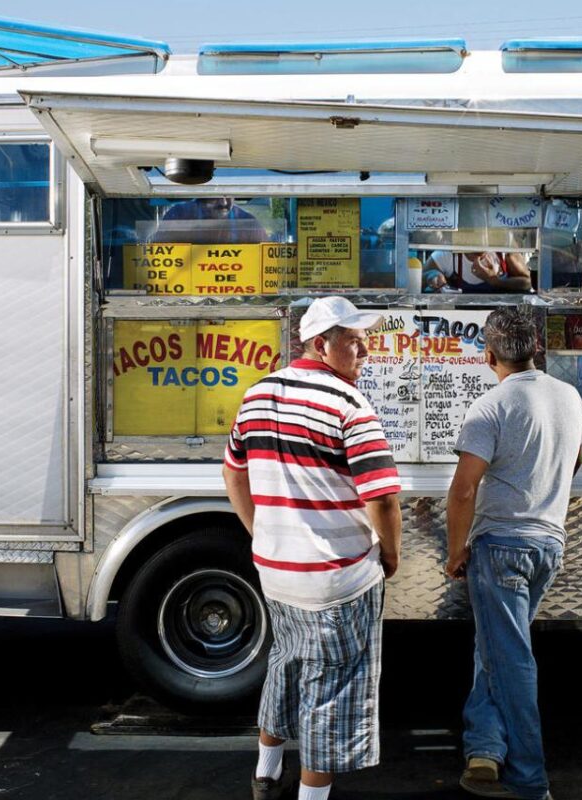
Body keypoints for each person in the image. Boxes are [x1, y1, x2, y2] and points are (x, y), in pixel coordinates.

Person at [222, 295, 403, 800]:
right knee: (333, 693)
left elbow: (232, 471)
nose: (365, 350)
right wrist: (390, 554)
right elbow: (384, 498)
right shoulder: (350, 405)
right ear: (321, 345)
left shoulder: (257, 394)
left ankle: (265, 771)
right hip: (336, 578)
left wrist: (260, 531)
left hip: (277, 572)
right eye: (353, 341)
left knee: (286, 661)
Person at [443, 306, 582, 800]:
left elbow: (463, 490)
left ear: (488, 355)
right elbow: (574, 463)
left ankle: (530, 780)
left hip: (501, 546)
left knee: (512, 660)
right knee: (497, 649)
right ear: (537, 350)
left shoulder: (490, 407)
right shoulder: (570, 398)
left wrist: (455, 550)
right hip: (549, 543)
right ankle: (484, 748)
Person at [151, 196, 267, 244]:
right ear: (201, 194)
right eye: (215, 195)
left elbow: (266, 264)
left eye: (229, 196)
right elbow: (159, 255)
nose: (224, 203)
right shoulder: (179, 215)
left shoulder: (249, 223)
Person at [425, 250, 531, 293]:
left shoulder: (504, 252)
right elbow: (418, 280)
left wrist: (495, 281)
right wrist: (432, 275)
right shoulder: (446, 255)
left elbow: (527, 284)